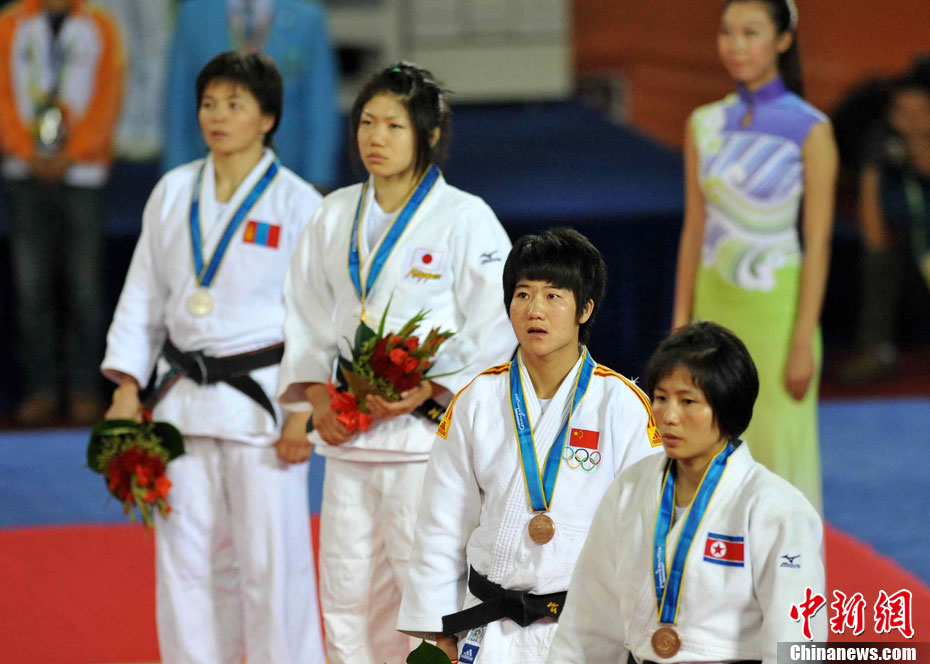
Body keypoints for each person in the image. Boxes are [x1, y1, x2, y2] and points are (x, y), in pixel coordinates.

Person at [277, 62, 517, 664]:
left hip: (424, 443)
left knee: (427, 590)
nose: (375, 138)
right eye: (366, 122)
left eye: (393, 125)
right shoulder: (333, 213)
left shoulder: (465, 216)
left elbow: (496, 320)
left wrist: (430, 385)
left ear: (429, 134)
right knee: (346, 593)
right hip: (348, 439)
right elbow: (305, 315)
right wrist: (317, 401)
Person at [101, 52, 325, 664]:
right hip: (180, 402)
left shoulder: (298, 203)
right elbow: (143, 295)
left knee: (273, 564)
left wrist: (303, 412)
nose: (217, 116)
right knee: (185, 562)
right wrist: (127, 388)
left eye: (234, 104)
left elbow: (317, 316)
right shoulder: (173, 192)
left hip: (263, 406)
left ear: (268, 118)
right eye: (208, 104)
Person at [396, 227, 662, 663]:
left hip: (589, 631)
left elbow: (646, 529)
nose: (535, 310)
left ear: (585, 309)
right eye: (523, 294)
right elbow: (441, 524)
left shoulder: (622, 405)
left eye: (553, 296)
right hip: (489, 629)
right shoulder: (475, 401)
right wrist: (436, 628)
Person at [547, 321, 826, 664]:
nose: (669, 416)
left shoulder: (776, 509)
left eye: (688, 401)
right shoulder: (629, 489)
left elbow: (795, 641)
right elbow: (587, 623)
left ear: (727, 408)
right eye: (661, 398)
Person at [671, 0, 838, 512]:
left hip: (779, 318)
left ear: (783, 40)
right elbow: (694, 230)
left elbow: (818, 243)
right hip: (713, 313)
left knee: (780, 459)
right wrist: (680, 324)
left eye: (751, 32)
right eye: (727, 32)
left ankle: (788, 563)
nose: (736, 45)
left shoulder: (811, 129)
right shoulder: (703, 124)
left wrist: (803, 340)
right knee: (708, 450)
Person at [0, 0, 125, 424]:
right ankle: (41, 389)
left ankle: (85, 388)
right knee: (31, 288)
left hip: (84, 175)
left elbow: (109, 96)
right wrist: (24, 149)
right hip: (23, 173)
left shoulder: (101, 25)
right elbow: (2, 94)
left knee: (85, 288)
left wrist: (73, 152)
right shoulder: (10, 24)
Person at [163, 0, 339, 190]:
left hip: (288, 169)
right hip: (209, 172)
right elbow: (178, 103)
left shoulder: (307, 17)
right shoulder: (194, 13)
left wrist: (318, 177)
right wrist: (175, 174)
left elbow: (321, 105)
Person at [842, 76, 930, 382]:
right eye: (903, 111)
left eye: (920, 111)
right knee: (878, 261)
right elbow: (873, 231)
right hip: (908, 254)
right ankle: (876, 351)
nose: (911, 120)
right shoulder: (881, 146)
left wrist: (918, 148)